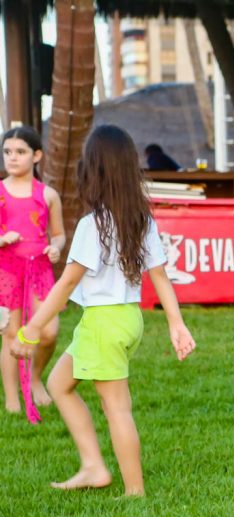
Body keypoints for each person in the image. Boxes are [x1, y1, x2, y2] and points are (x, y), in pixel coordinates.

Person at [11, 125, 196, 496]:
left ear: (91, 171)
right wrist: (176, 324)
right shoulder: (139, 219)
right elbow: (159, 277)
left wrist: (30, 329)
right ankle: (93, 466)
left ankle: (134, 491)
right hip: (126, 320)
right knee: (59, 384)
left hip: (103, 323)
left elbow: (65, 284)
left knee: (116, 407)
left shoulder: (91, 225)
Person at [0, 126, 65, 420]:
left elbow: (59, 234)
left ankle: (36, 377)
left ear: (37, 155)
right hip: (7, 270)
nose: (12, 158)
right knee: (11, 334)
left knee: (49, 331)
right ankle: (12, 398)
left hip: (39, 268)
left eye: (20, 152)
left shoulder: (48, 195)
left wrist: (57, 248)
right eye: (7, 152)